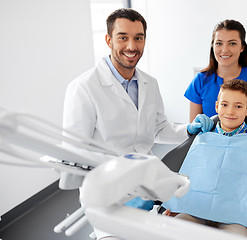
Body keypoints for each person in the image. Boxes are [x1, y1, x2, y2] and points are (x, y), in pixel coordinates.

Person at [62, 8, 213, 240]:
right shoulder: (84, 88)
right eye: (123, 37)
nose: (132, 46)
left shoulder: (149, 84)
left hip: (146, 186)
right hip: (107, 194)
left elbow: (158, 128)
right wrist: (113, 191)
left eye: (138, 38)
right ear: (108, 40)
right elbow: (74, 158)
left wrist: (187, 129)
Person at [163, 80, 247, 239]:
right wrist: (177, 204)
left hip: (234, 217)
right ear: (217, 107)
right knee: (175, 230)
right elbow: (190, 174)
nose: (230, 111)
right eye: (224, 105)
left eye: (238, 106)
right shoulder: (204, 136)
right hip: (196, 209)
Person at [184, 19, 247, 123]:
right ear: (212, 46)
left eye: (232, 43)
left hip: (245, 139)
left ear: (242, 47)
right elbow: (193, 130)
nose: (224, 50)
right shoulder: (200, 80)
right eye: (219, 43)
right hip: (208, 139)